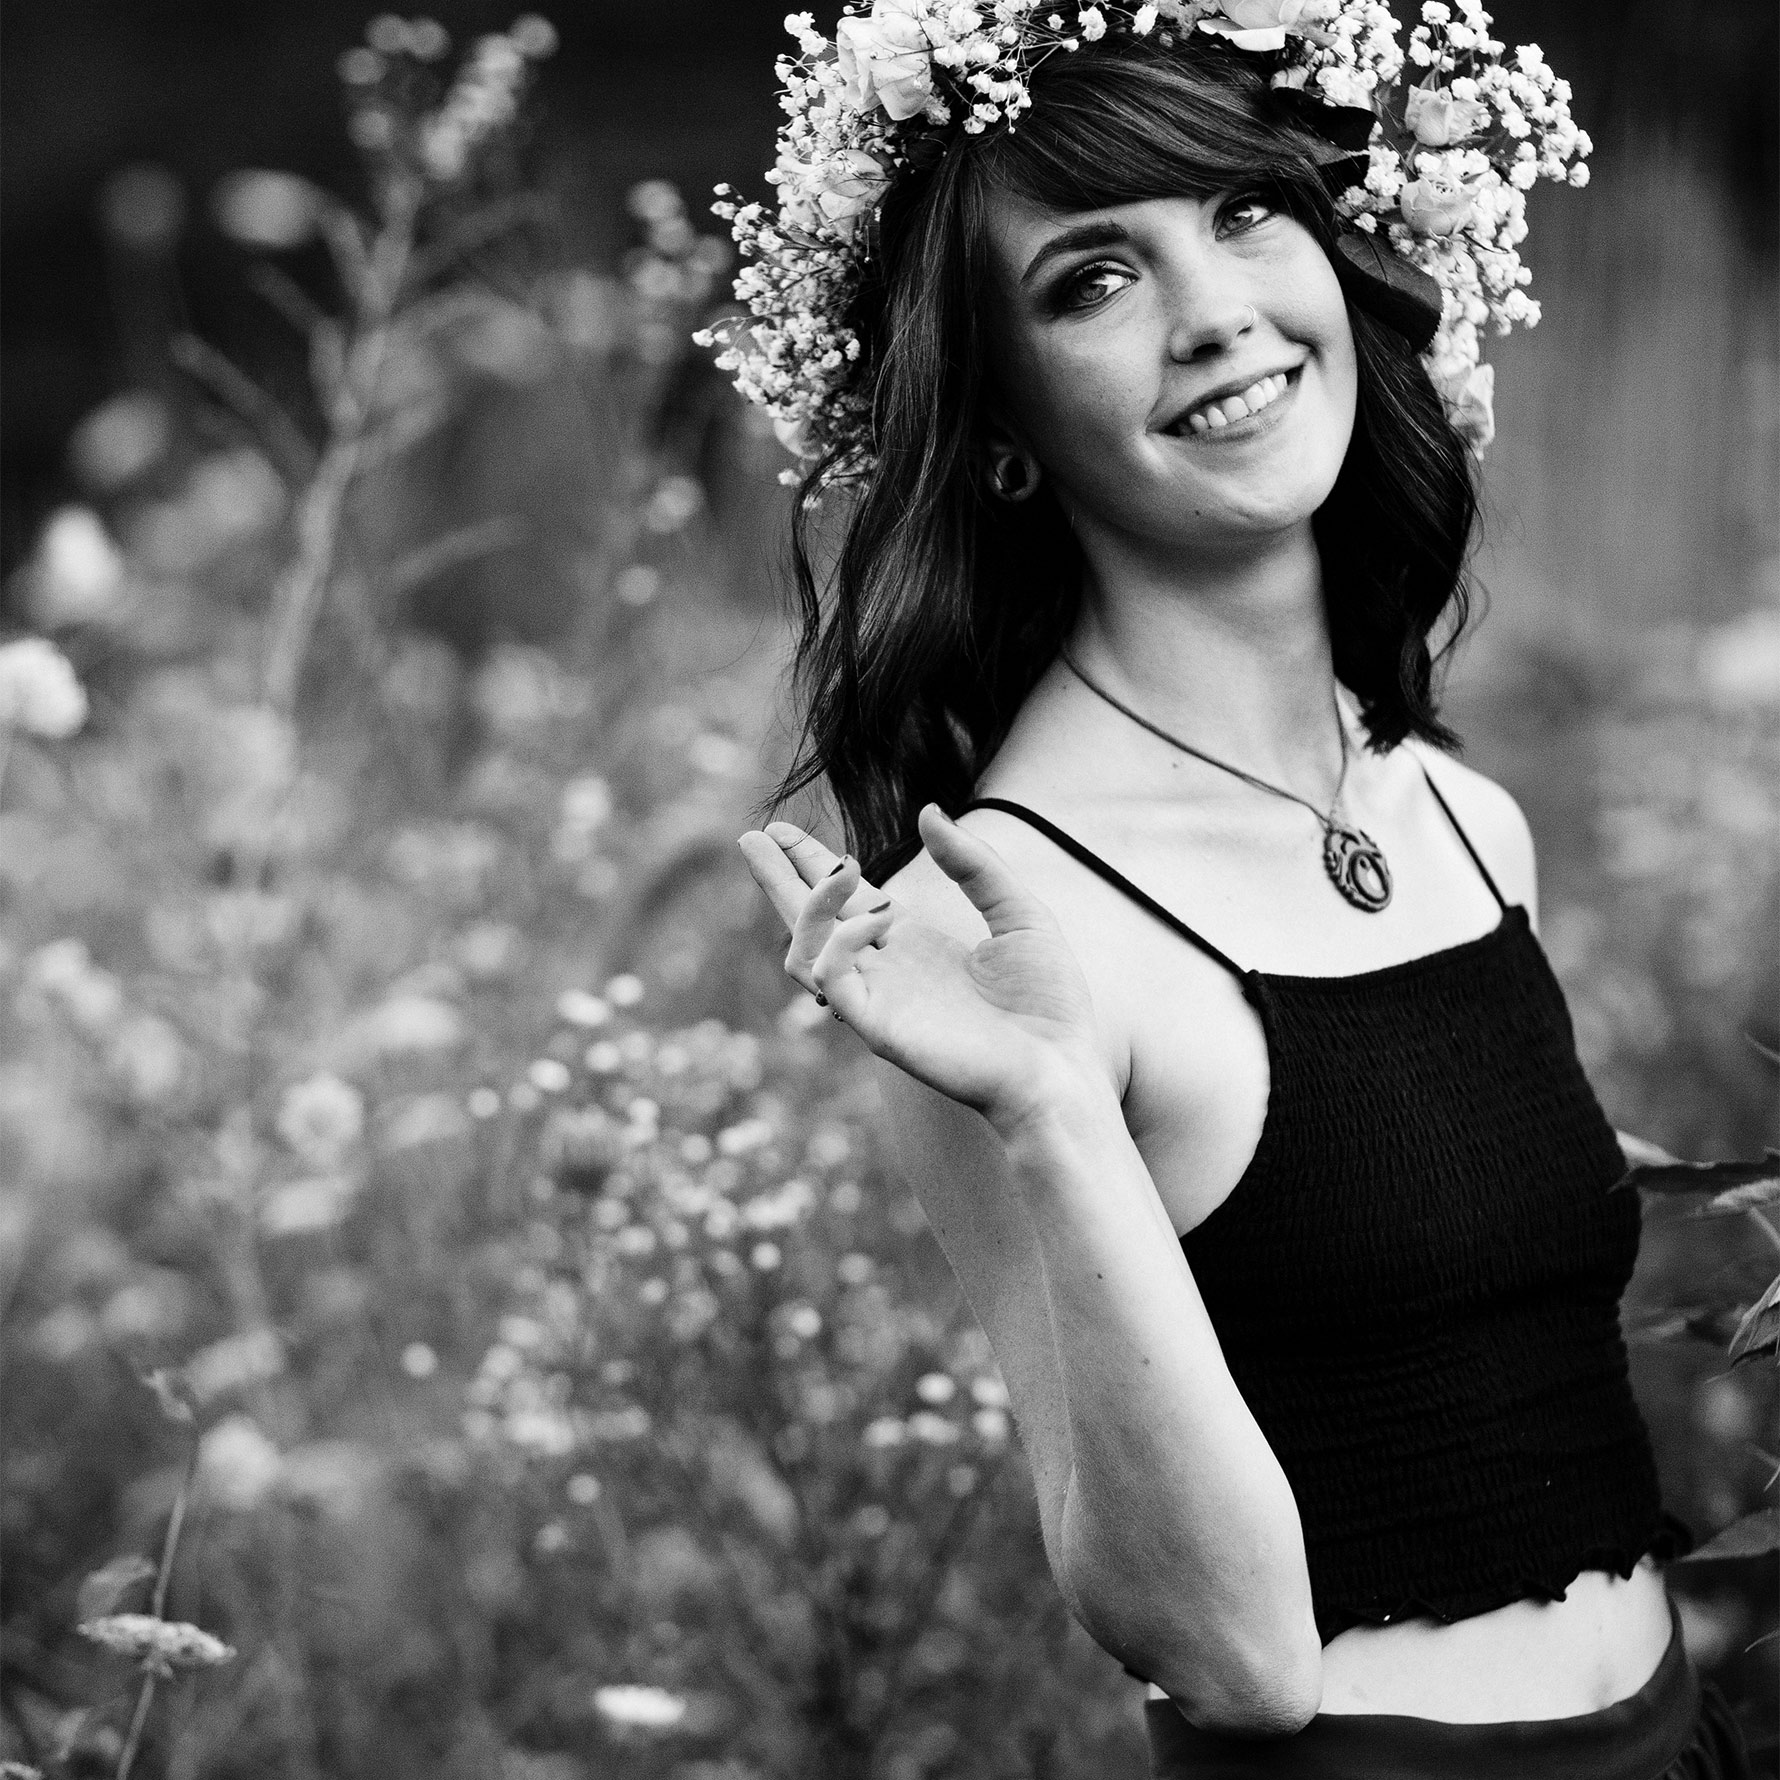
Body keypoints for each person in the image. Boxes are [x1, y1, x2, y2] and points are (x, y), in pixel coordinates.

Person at [716, 5, 1753, 1773]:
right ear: (998, 425)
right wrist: (1053, 1112)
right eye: (1094, 280)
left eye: (1244, 211)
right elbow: (1231, 1663)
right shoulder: (994, 924)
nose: (1211, 311)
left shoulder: (1461, 817)